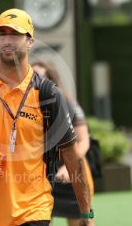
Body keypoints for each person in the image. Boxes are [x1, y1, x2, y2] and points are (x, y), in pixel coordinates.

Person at [0, 9, 94, 226]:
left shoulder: (48, 95)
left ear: (30, 42)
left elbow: (73, 158)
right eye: (2, 34)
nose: (7, 40)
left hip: (33, 209)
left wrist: (86, 215)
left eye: (15, 34)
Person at [32, 62, 94, 226]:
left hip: (70, 174)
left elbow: (83, 140)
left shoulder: (68, 103)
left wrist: (68, 166)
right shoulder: (25, 106)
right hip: (41, 176)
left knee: (80, 220)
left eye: (40, 77)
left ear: (52, 81)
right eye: (32, 78)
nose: (35, 82)